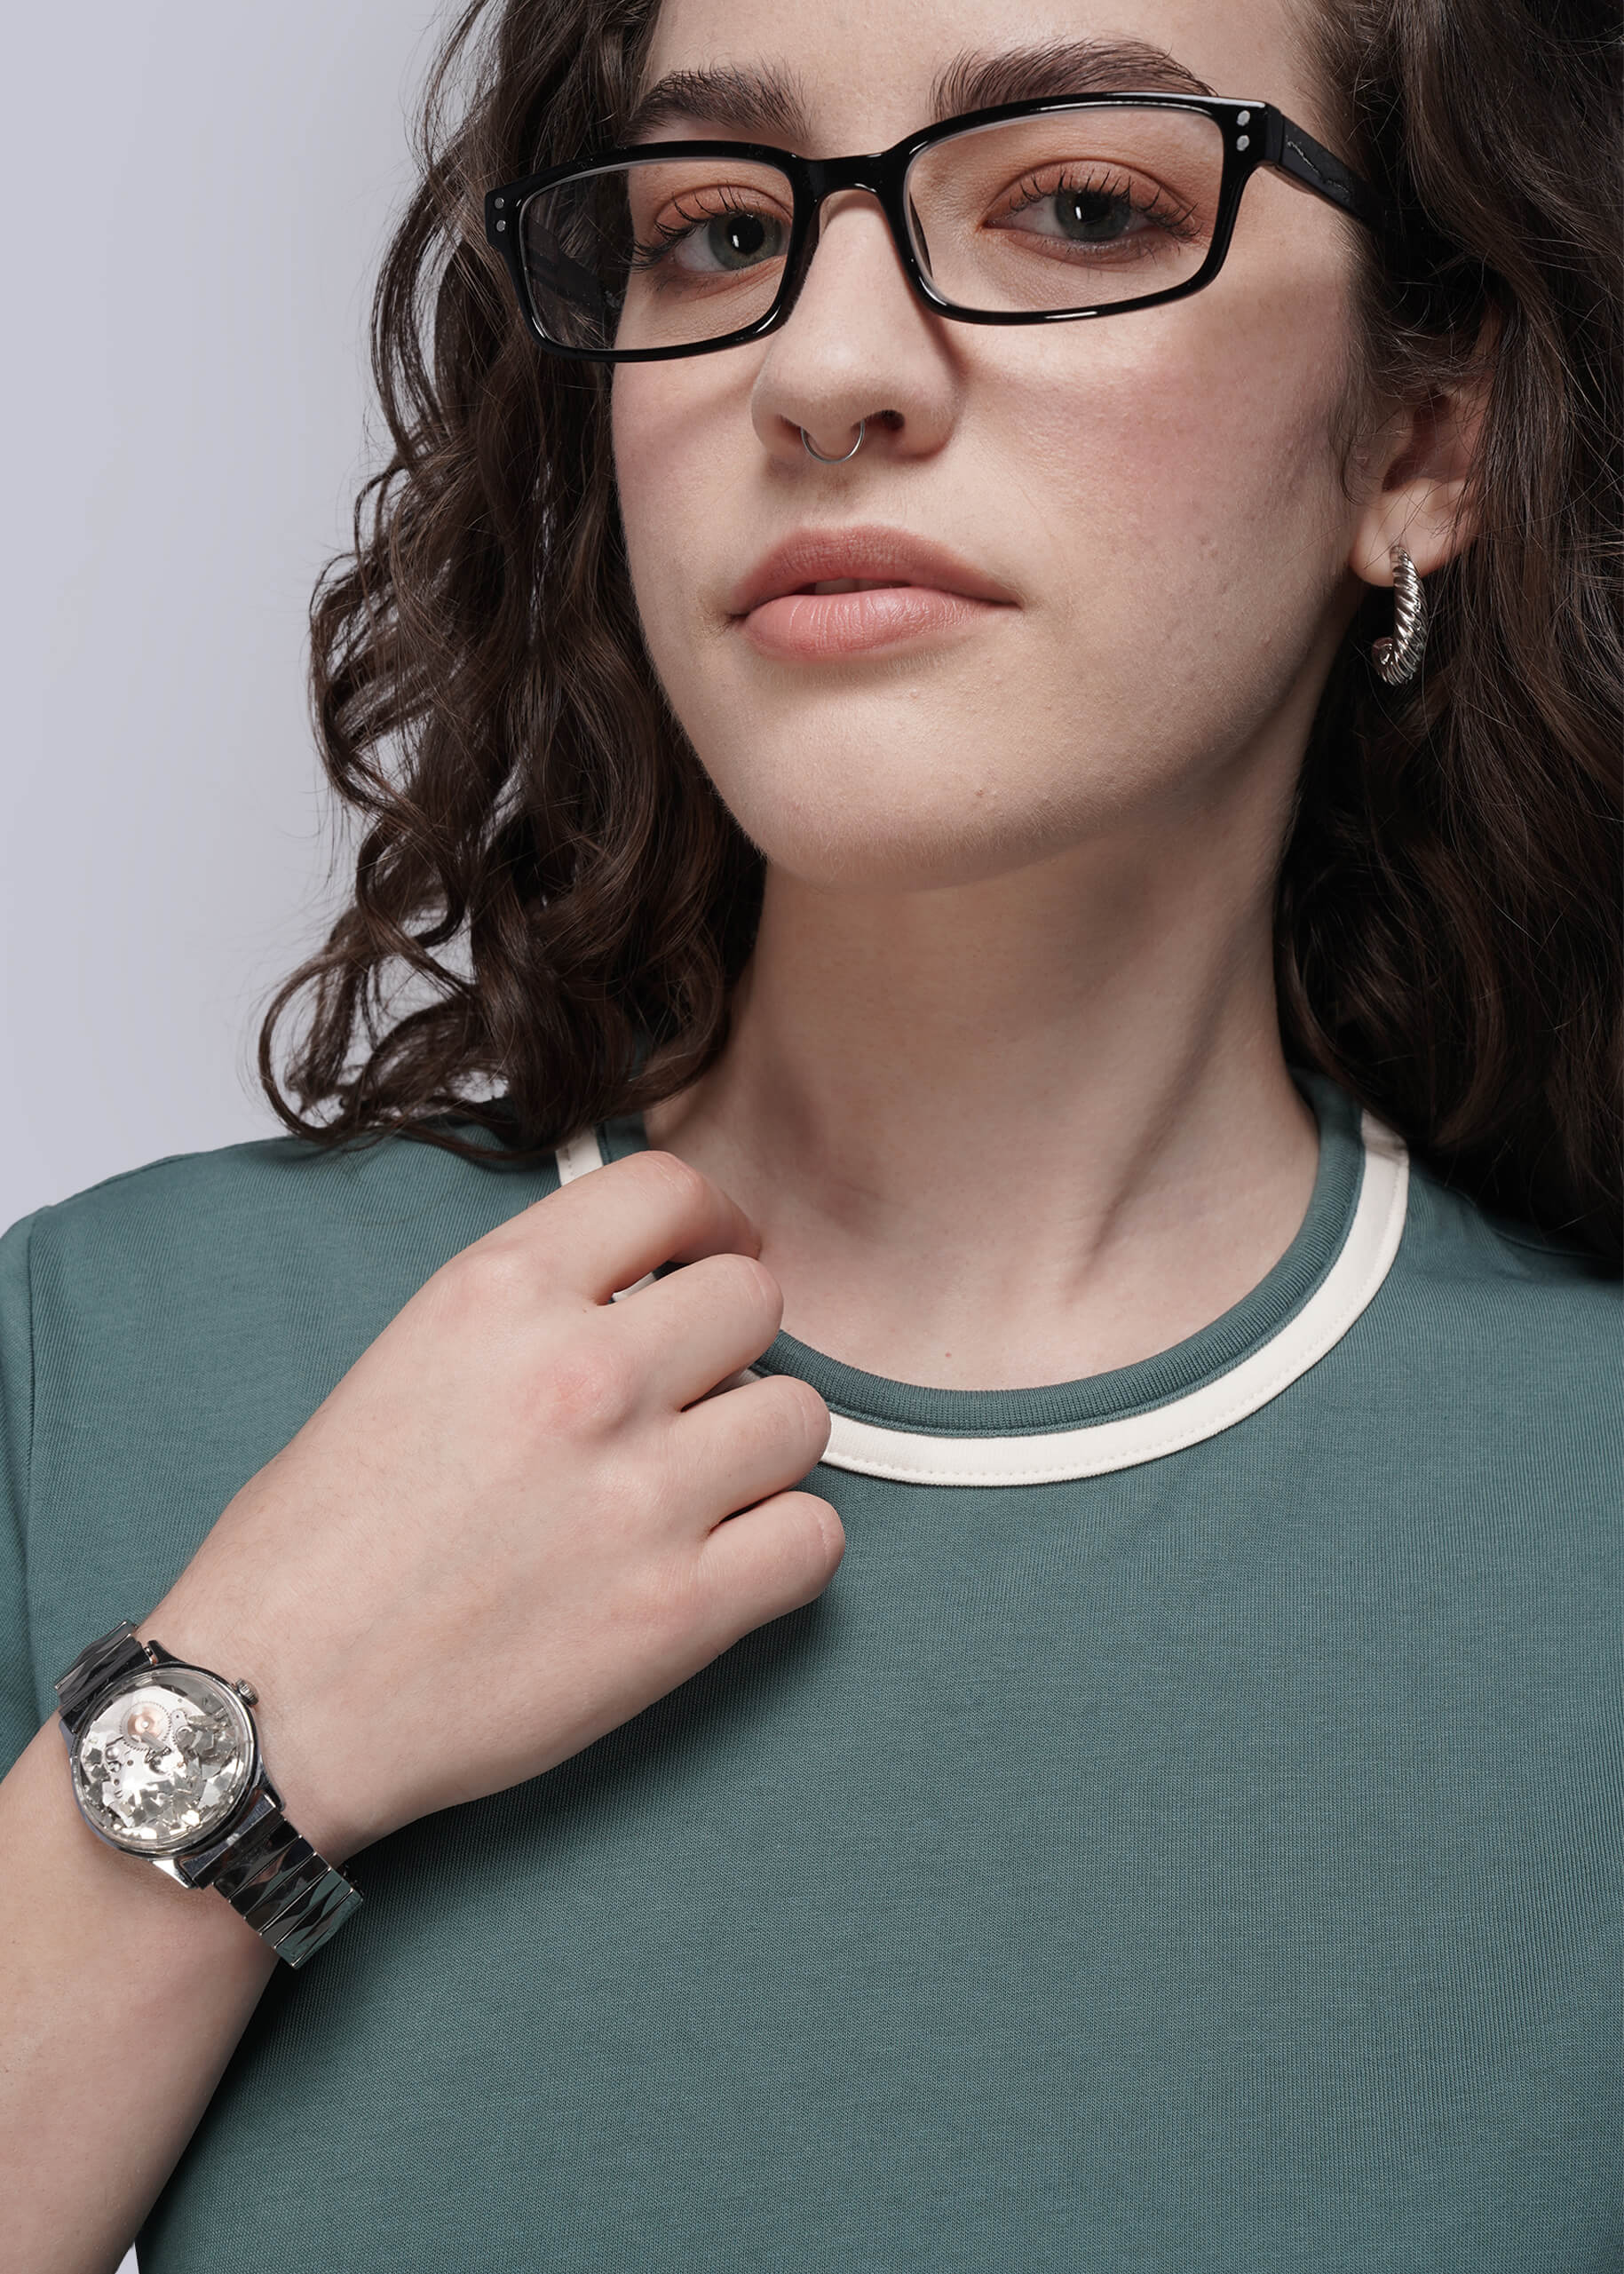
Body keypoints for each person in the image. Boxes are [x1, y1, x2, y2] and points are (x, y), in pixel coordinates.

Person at [2, 0, 1618, 2266]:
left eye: (1078, 205)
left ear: (1422, 433)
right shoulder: (97, 1370)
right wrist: (225, 1748)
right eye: (714, 230)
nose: (824, 362)